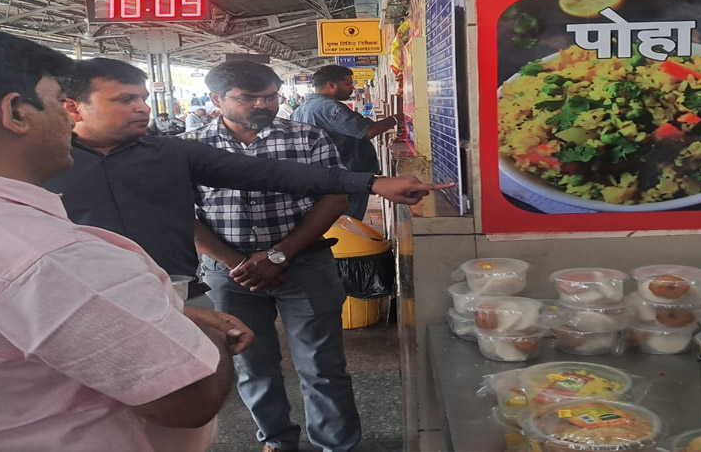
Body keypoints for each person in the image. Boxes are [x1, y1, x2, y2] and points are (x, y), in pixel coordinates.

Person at [0, 25, 252, 452]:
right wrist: (209, 338)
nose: (69, 119)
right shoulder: (50, 259)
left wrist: (157, 314)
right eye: (57, 102)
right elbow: (189, 397)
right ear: (16, 113)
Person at [43, 58, 442, 307]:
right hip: (81, 299)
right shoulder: (44, 164)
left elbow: (271, 174)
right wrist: (235, 262)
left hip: (174, 294)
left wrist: (372, 183)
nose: (142, 108)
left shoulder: (172, 152)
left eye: (143, 97)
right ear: (73, 108)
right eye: (124, 100)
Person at [184, 61, 428, 452]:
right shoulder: (189, 147)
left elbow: (334, 198)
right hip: (230, 274)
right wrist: (237, 262)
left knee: (322, 365)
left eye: (271, 97)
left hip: (304, 265)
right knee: (251, 363)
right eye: (249, 98)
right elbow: (180, 212)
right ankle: (277, 439)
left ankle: (337, 444)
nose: (263, 105)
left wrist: (279, 255)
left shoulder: (307, 137)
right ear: (216, 99)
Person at [291, 65, 400, 220]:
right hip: (345, 177)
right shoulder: (330, 107)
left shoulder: (300, 109)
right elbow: (368, 131)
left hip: (323, 178)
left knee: (333, 224)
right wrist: (398, 118)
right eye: (348, 84)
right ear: (331, 85)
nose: (352, 88)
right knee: (348, 222)